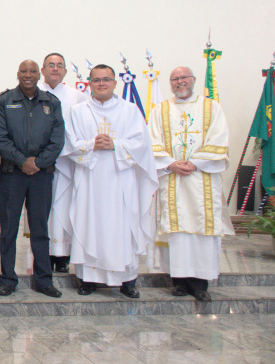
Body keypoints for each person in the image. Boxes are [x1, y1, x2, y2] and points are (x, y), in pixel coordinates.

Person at [61, 64, 158, 298]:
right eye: (96, 80)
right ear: (90, 84)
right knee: (88, 224)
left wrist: (116, 144)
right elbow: (69, 144)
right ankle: (88, 279)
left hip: (121, 180)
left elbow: (142, 144)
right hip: (89, 180)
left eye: (106, 79)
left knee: (123, 226)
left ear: (115, 83)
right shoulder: (77, 111)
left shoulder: (130, 110)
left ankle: (127, 281)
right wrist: (91, 145)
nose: (101, 84)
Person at [147, 66, 232, 302]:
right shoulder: (160, 110)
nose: (180, 82)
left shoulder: (211, 107)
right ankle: (179, 282)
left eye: (184, 77)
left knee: (202, 229)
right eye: (175, 79)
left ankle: (200, 284)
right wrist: (170, 164)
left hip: (202, 178)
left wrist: (195, 163)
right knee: (177, 231)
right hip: (172, 178)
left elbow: (219, 138)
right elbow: (151, 141)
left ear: (193, 80)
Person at [0, 60, 65, 298]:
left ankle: (43, 280)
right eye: (24, 71)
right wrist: (23, 161)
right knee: (9, 229)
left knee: (40, 229)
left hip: (41, 176)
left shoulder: (51, 102)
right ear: (18, 74)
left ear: (39, 75)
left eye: (33, 71)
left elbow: (58, 139)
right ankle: (7, 279)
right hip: (12, 174)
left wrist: (38, 163)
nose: (28, 75)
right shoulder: (4, 101)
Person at [38, 53, 87, 273]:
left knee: (64, 208)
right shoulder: (33, 92)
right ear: (43, 70)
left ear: (65, 71)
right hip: (39, 163)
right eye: (51, 65)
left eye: (59, 65)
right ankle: (42, 253)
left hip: (67, 161)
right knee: (43, 209)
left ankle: (63, 254)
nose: (55, 69)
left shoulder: (77, 96)